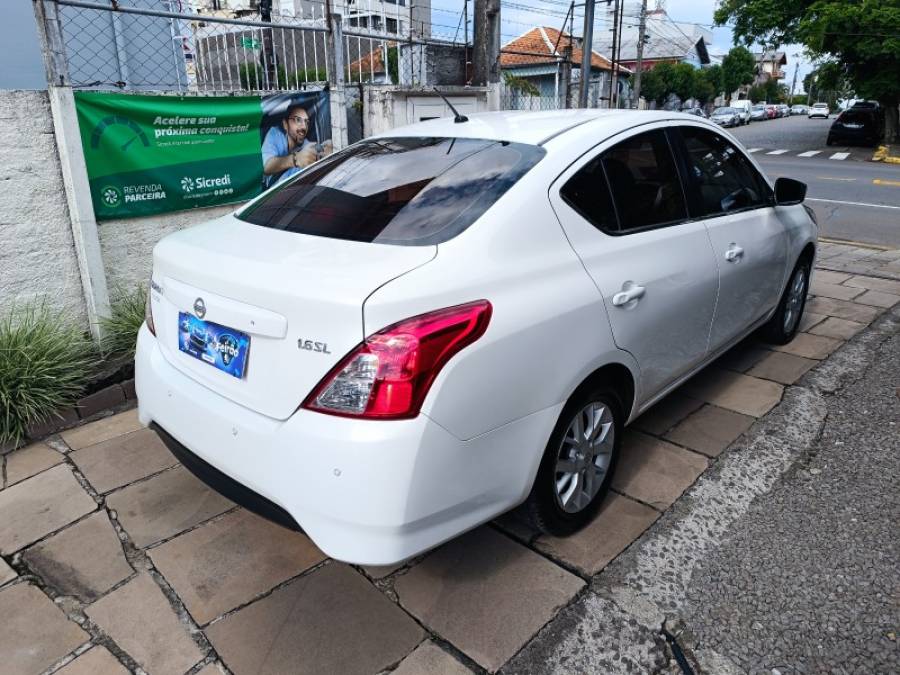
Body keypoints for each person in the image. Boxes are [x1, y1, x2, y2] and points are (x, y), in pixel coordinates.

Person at [261, 103, 333, 187]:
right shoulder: (275, 134)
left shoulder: (307, 143)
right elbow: (266, 167)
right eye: (298, 120)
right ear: (285, 124)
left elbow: (320, 148)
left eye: (306, 122)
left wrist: (327, 148)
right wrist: (295, 159)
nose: (304, 127)